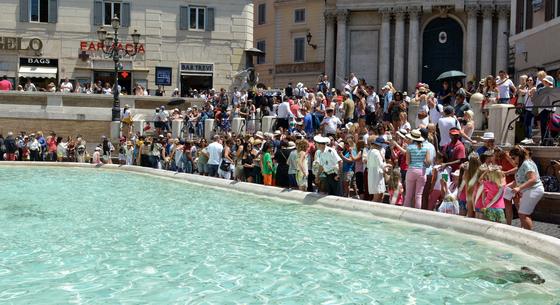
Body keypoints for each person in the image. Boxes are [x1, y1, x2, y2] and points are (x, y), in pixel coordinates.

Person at [508, 146, 545, 230]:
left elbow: (533, 179)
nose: (513, 160)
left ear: (519, 156)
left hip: (533, 189)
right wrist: (507, 172)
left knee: (523, 214)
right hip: (530, 190)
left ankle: (529, 235)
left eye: (513, 158)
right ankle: (525, 232)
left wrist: (519, 188)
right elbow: (518, 169)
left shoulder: (526, 163)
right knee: (523, 213)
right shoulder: (524, 162)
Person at [404, 129, 431, 209]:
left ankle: (405, 213)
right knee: (418, 195)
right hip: (422, 171)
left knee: (408, 195)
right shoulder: (426, 148)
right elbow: (428, 162)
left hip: (412, 170)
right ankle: (418, 213)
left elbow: (408, 162)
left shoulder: (409, 147)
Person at [367, 136, 389, 202]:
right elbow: (382, 165)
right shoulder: (376, 152)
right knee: (376, 197)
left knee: (379, 196)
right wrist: (387, 168)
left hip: (372, 174)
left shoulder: (370, 151)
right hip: (377, 176)